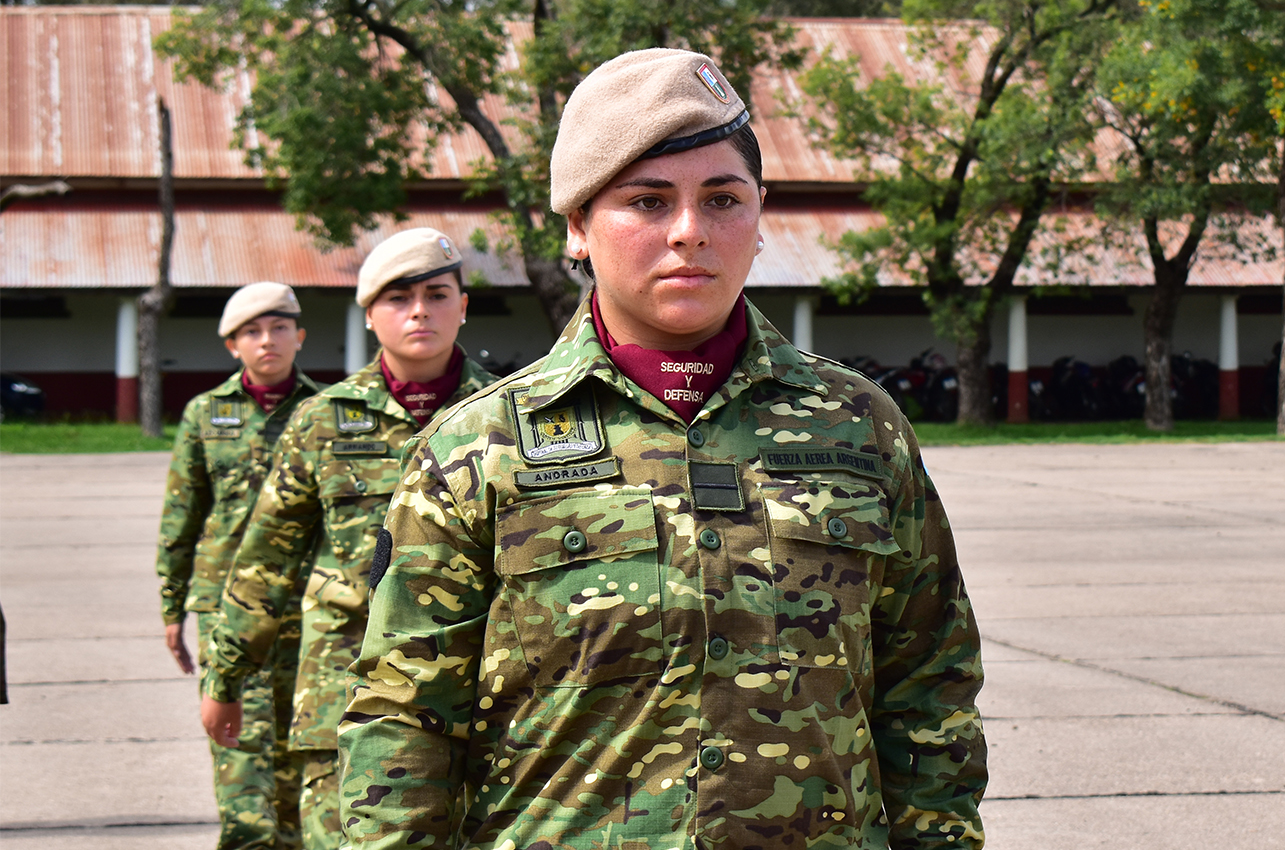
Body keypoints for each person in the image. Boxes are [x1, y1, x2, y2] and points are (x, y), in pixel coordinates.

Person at [338, 49, 988, 849]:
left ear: (760, 215)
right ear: (578, 225)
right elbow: (404, 719)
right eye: (647, 202)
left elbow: (929, 688)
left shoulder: (859, 427)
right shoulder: (478, 448)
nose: (690, 233)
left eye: (722, 199)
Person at [199, 230, 496, 846]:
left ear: (463, 306)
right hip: (345, 695)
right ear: (369, 316)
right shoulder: (321, 421)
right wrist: (225, 679)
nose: (419, 311)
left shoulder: (509, 416)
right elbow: (266, 560)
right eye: (398, 298)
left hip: (481, 702)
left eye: (438, 294)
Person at [158, 282, 319, 849]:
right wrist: (171, 605)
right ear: (232, 345)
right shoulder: (206, 413)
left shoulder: (326, 413)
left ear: (300, 336)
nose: (267, 341)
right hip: (227, 609)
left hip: (307, 606)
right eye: (251, 332)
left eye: (279, 328)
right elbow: (183, 513)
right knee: (237, 751)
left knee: (301, 751)